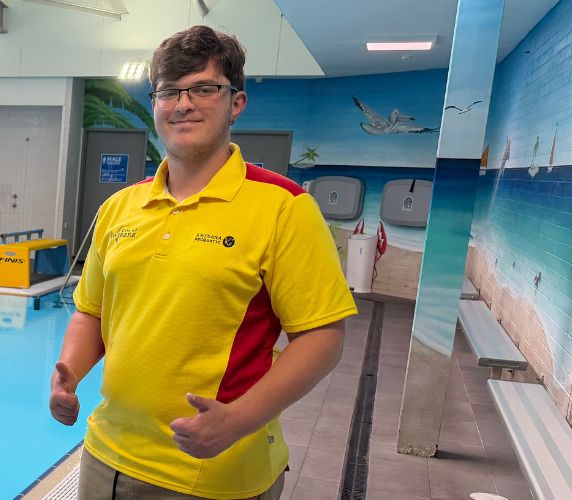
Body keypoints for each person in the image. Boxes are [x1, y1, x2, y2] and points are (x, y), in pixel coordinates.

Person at [51, 25, 357, 500]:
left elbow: (322, 337)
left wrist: (238, 421)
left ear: (236, 102)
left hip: (212, 474)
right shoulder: (120, 208)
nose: (183, 103)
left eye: (204, 88)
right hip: (105, 455)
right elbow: (91, 311)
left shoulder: (283, 206)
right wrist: (68, 373)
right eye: (169, 91)